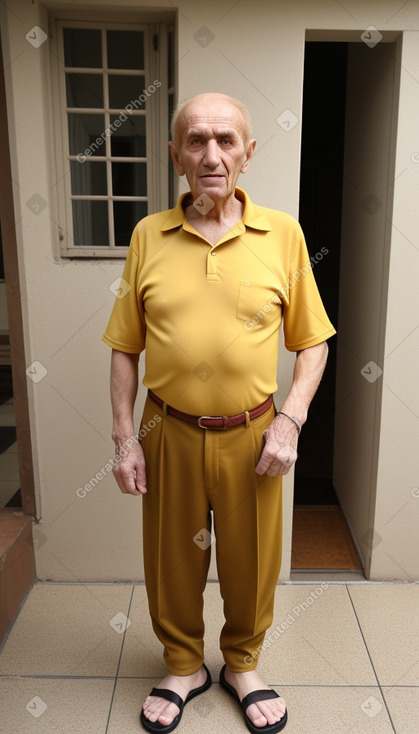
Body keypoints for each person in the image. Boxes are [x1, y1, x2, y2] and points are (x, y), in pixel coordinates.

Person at [102, 92, 336, 734]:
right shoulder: (148, 234)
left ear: (248, 153)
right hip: (168, 430)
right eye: (196, 140)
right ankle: (183, 665)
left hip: (254, 432)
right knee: (171, 558)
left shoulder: (283, 234)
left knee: (252, 559)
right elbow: (125, 346)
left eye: (226, 140)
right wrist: (125, 437)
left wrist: (290, 419)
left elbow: (313, 340)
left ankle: (242, 663)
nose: (211, 154)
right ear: (175, 155)